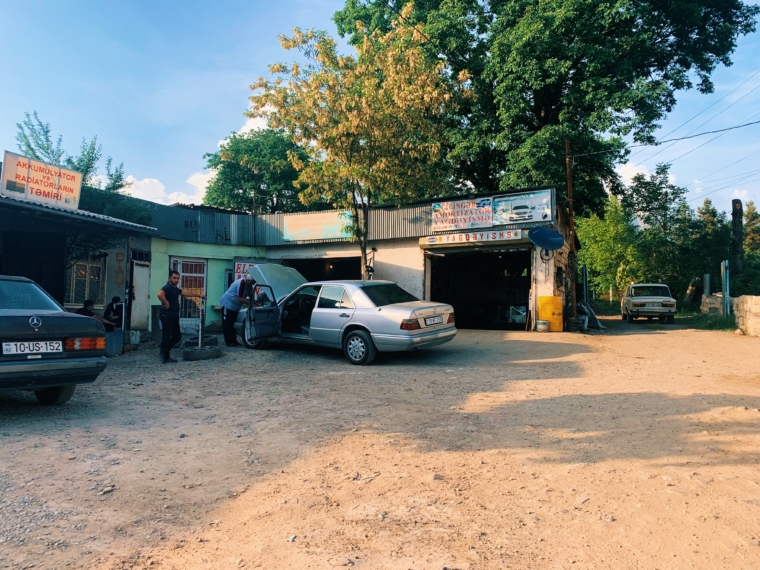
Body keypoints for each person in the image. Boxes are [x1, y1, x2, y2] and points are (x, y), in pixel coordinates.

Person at [156, 270, 205, 363]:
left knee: (177, 336)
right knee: (167, 335)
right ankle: (164, 353)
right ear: (169, 278)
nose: (176, 280)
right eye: (174, 278)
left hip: (173, 315)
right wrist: (166, 303)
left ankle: (164, 351)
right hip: (167, 315)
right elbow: (159, 294)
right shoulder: (167, 287)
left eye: (178, 278)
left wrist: (198, 295)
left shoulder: (174, 288)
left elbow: (184, 292)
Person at [219, 273, 256, 347]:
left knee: (233, 324)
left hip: (235, 307)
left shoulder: (249, 285)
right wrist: (251, 304)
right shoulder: (241, 283)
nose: (253, 284)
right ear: (248, 280)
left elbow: (251, 296)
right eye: (252, 282)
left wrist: (255, 303)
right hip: (228, 304)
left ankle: (234, 341)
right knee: (227, 324)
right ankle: (229, 342)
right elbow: (240, 298)